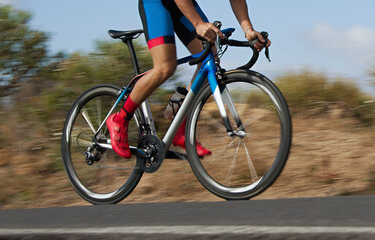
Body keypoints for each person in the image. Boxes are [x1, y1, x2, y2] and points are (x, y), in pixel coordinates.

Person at [106, 0, 271, 159]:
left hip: (184, 4)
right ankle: (119, 119)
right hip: (156, 3)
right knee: (165, 67)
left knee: (210, 58)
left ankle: (180, 128)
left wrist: (248, 29)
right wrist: (199, 24)